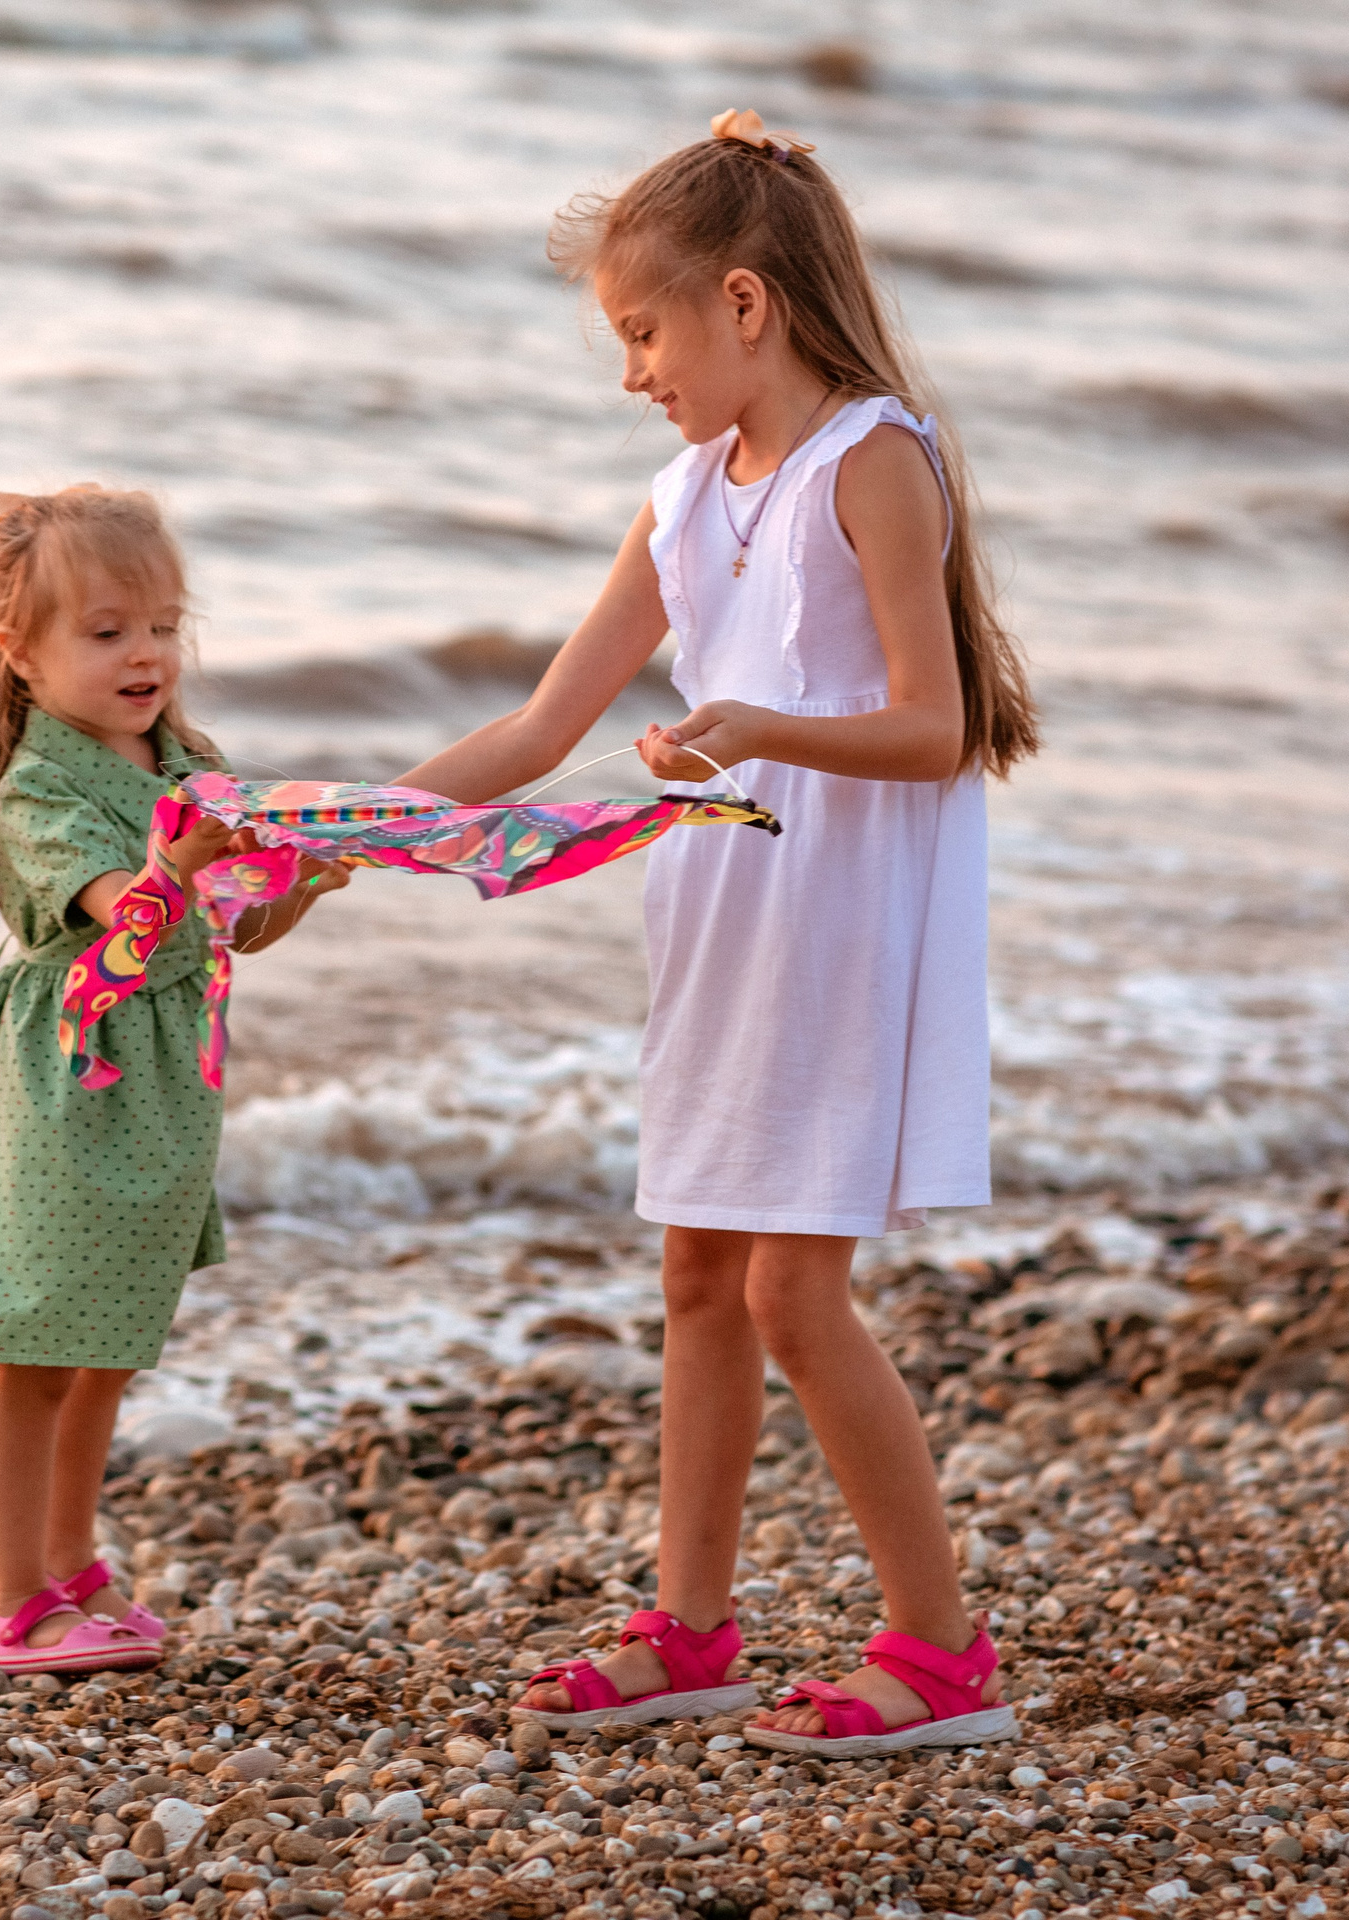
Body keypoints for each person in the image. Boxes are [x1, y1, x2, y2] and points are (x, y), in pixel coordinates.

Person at [400, 112, 1040, 1756]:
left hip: (837, 912)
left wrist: (760, 726)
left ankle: (939, 1653)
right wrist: (343, 835)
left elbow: (933, 727)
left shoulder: (873, 462)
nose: (632, 373)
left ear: (742, 306)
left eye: (642, 331)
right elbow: (545, 730)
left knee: (792, 1298)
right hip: (719, 907)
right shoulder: (685, 498)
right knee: (698, 1271)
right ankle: (693, 1631)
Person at [0, 485, 340, 1676]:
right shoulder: (42, 788)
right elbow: (127, 930)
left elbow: (224, 929)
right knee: (40, 1346)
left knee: (111, 1335)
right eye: (109, 630)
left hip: (165, 1078)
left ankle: (74, 1563)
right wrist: (177, 859)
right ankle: (14, 1601)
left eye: (164, 625)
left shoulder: (189, 760)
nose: (147, 655)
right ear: (22, 655)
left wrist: (300, 881)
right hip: (71, 1077)